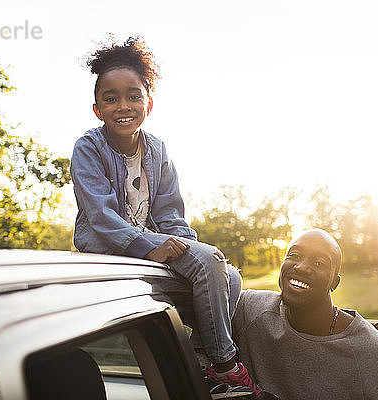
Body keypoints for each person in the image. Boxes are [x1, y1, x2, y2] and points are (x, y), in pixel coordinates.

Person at [70, 36, 274, 399]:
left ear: (148, 101)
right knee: (210, 263)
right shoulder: (89, 147)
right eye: (111, 98)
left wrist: (191, 250)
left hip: (148, 241)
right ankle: (225, 365)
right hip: (108, 247)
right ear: (97, 108)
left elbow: (169, 213)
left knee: (228, 275)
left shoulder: (157, 150)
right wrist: (150, 247)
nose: (123, 105)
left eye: (133, 95)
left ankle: (198, 357)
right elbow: (101, 216)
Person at [232, 229, 378, 400]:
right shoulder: (250, 310)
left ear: (334, 283)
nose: (301, 267)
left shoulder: (375, 357)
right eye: (294, 255)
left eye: (319, 263)